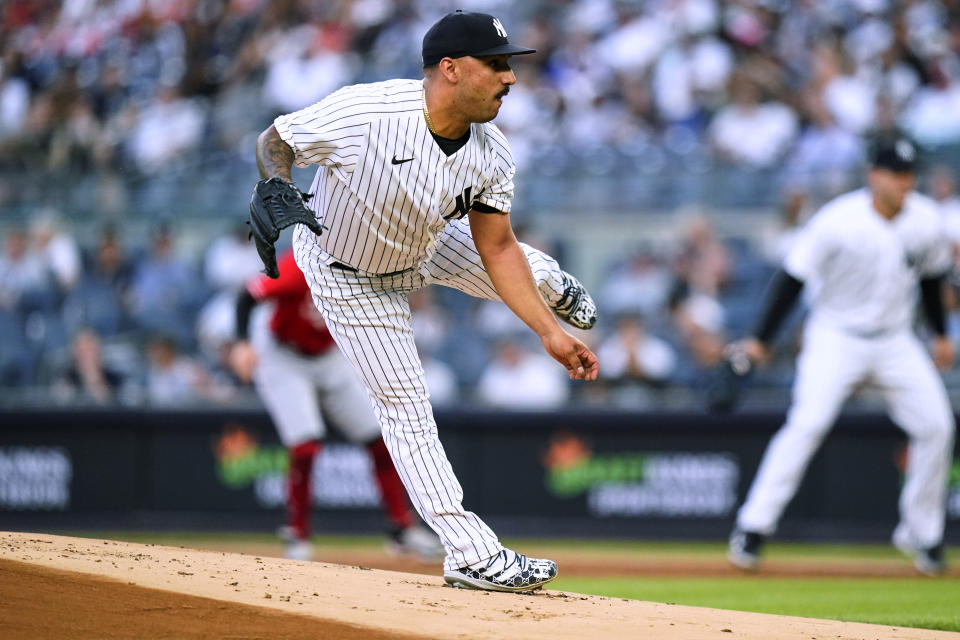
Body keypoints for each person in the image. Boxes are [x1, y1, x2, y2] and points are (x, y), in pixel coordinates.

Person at [253, 10, 599, 592]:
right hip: (349, 273)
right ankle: (470, 553)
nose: (509, 78)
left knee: (517, 261)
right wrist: (276, 183)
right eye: (496, 65)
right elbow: (276, 139)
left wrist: (548, 332)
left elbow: (498, 249)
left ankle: (554, 283)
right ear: (451, 69)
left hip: (424, 244)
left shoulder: (492, 152)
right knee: (407, 410)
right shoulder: (367, 112)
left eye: (509, 65)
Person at [725, 133, 956, 576]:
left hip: (895, 339)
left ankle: (921, 534)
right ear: (874, 175)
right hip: (836, 335)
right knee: (807, 423)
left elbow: (931, 280)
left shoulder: (925, 220)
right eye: (896, 174)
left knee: (937, 426)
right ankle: (753, 527)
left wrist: (940, 335)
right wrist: (761, 338)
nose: (904, 182)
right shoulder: (838, 220)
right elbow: (791, 279)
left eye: (909, 175)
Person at [229, 249, 444, 563]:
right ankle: (298, 534)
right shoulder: (298, 267)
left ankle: (401, 529)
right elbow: (246, 296)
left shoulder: (366, 260)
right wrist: (242, 343)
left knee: (381, 439)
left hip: (330, 355)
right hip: (284, 357)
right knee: (305, 446)